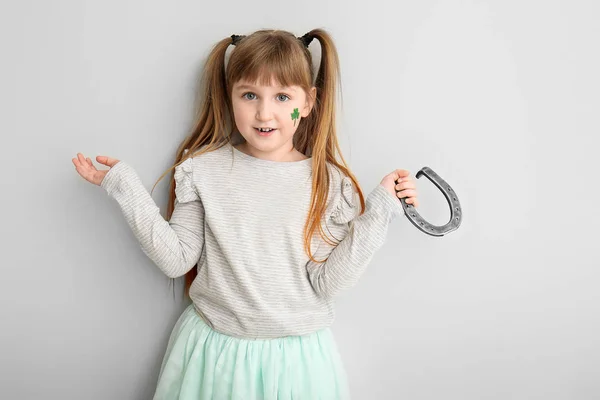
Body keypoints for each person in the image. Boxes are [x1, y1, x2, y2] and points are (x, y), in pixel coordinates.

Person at [72, 28, 419, 400]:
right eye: (250, 95)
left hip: (297, 364)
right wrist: (125, 187)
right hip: (215, 355)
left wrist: (382, 210)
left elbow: (328, 283)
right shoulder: (203, 170)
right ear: (230, 96)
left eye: (283, 96)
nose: (264, 112)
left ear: (310, 101)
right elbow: (176, 260)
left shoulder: (327, 183)